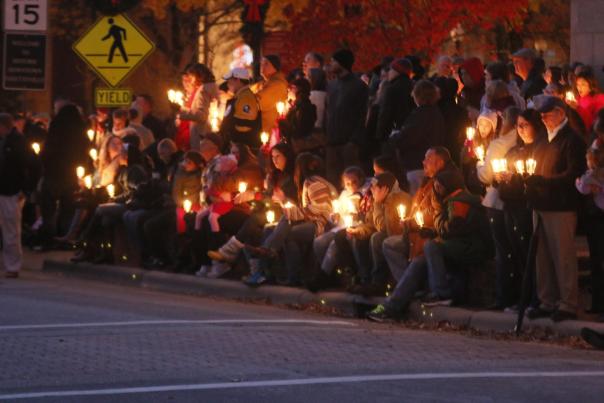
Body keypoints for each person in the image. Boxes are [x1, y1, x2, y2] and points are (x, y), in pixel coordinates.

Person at [368, 169, 492, 321]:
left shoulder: (459, 202)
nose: (436, 189)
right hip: (458, 244)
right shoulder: (450, 201)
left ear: (449, 185)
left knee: (430, 246)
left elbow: (452, 229)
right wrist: (430, 231)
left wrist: (437, 214)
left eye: (439, 186)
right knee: (418, 262)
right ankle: (391, 307)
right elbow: (448, 230)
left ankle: (441, 293)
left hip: (470, 247)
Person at [525, 96, 586, 322]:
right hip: (540, 204)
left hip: (561, 205)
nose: (544, 119)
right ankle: (547, 299)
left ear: (561, 113)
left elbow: (573, 172)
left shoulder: (572, 140)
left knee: (563, 256)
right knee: (543, 257)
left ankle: (568, 303)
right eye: (541, 115)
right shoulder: (543, 140)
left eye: (548, 114)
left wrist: (544, 182)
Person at [381, 147, 457, 294]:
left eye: (428, 159)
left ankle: (407, 289)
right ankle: (408, 286)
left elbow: (434, 211)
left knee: (390, 245)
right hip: (415, 233)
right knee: (387, 243)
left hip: (427, 235)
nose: (423, 162)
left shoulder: (443, 182)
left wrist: (411, 223)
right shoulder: (427, 181)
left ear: (440, 162)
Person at [476, 106, 521, 310]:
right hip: (518, 201)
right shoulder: (520, 142)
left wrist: (478, 165)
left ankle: (504, 296)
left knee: (503, 250)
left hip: (496, 200)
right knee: (515, 248)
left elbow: (486, 175)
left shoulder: (499, 144)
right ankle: (516, 294)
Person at [390, 79, 445, 195]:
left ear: (418, 95)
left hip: (416, 164)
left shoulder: (420, 115)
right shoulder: (436, 113)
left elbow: (408, 137)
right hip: (430, 164)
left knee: (416, 198)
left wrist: (395, 136)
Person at [325, 48, 368, 185]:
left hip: (349, 144)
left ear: (342, 63)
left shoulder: (358, 86)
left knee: (352, 182)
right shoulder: (332, 85)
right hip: (332, 142)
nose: (330, 64)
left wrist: (354, 141)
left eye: (333, 61)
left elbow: (362, 115)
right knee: (333, 182)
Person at [576, 147, 604, 318]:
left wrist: (578, 182)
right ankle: (598, 302)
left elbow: (582, 187)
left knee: (597, 259)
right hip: (595, 218)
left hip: (597, 219)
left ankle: (599, 302)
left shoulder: (591, 175)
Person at [0, 114, 28, 278]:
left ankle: (13, 266)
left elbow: (30, 166)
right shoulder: (7, 141)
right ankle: (10, 264)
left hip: (11, 190)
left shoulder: (17, 142)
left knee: (11, 229)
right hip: (5, 188)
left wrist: (25, 189)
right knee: (10, 229)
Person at [176, 63, 219, 151]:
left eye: (191, 77)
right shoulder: (211, 88)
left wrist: (180, 110)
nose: (190, 81)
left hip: (201, 135)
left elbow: (201, 115)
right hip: (207, 134)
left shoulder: (203, 90)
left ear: (198, 76)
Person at [375, 58, 414, 147]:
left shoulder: (392, 88)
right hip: (410, 132)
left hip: (393, 134)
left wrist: (380, 135)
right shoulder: (413, 86)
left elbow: (386, 113)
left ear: (398, 71)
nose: (388, 73)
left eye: (391, 69)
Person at [220, 67, 261, 149]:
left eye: (229, 81)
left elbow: (244, 127)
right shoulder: (240, 97)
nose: (227, 84)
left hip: (241, 148)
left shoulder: (246, 98)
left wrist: (232, 142)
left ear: (238, 80)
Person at [279, 78, 317, 152]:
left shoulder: (303, 107)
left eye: (291, 88)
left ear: (297, 89)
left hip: (299, 148)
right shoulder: (296, 106)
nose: (288, 91)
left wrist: (282, 122)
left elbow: (299, 130)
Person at [255, 55, 288, 135]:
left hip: (270, 129)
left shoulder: (277, 84)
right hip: (262, 128)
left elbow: (259, 101)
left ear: (275, 67)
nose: (262, 66)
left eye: (266, 64)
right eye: (261, 64)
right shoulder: (263, 83)